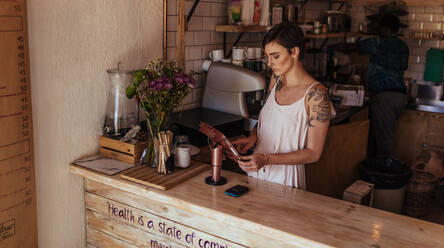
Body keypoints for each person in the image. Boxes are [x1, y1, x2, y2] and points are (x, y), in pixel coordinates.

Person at [232, 23, 331, 189]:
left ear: (294, 52)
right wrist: (253, 137)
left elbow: (314, 153)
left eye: (275, 56)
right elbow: (270, 119)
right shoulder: (276, 80)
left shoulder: (316, 95)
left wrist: (267, 159)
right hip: (257, 172)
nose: (270, 63)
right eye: (267, 56)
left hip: (286, 180)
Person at [356, 14, 409, 157]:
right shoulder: (403, 45)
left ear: (385, 29)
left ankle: (385, 174)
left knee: (384, 140)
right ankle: (378, 168)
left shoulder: (378, 42)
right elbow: (403, 66)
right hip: (401, 97)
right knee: (380, 135)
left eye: (380, 28)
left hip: (385, 98)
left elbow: (357, 47)